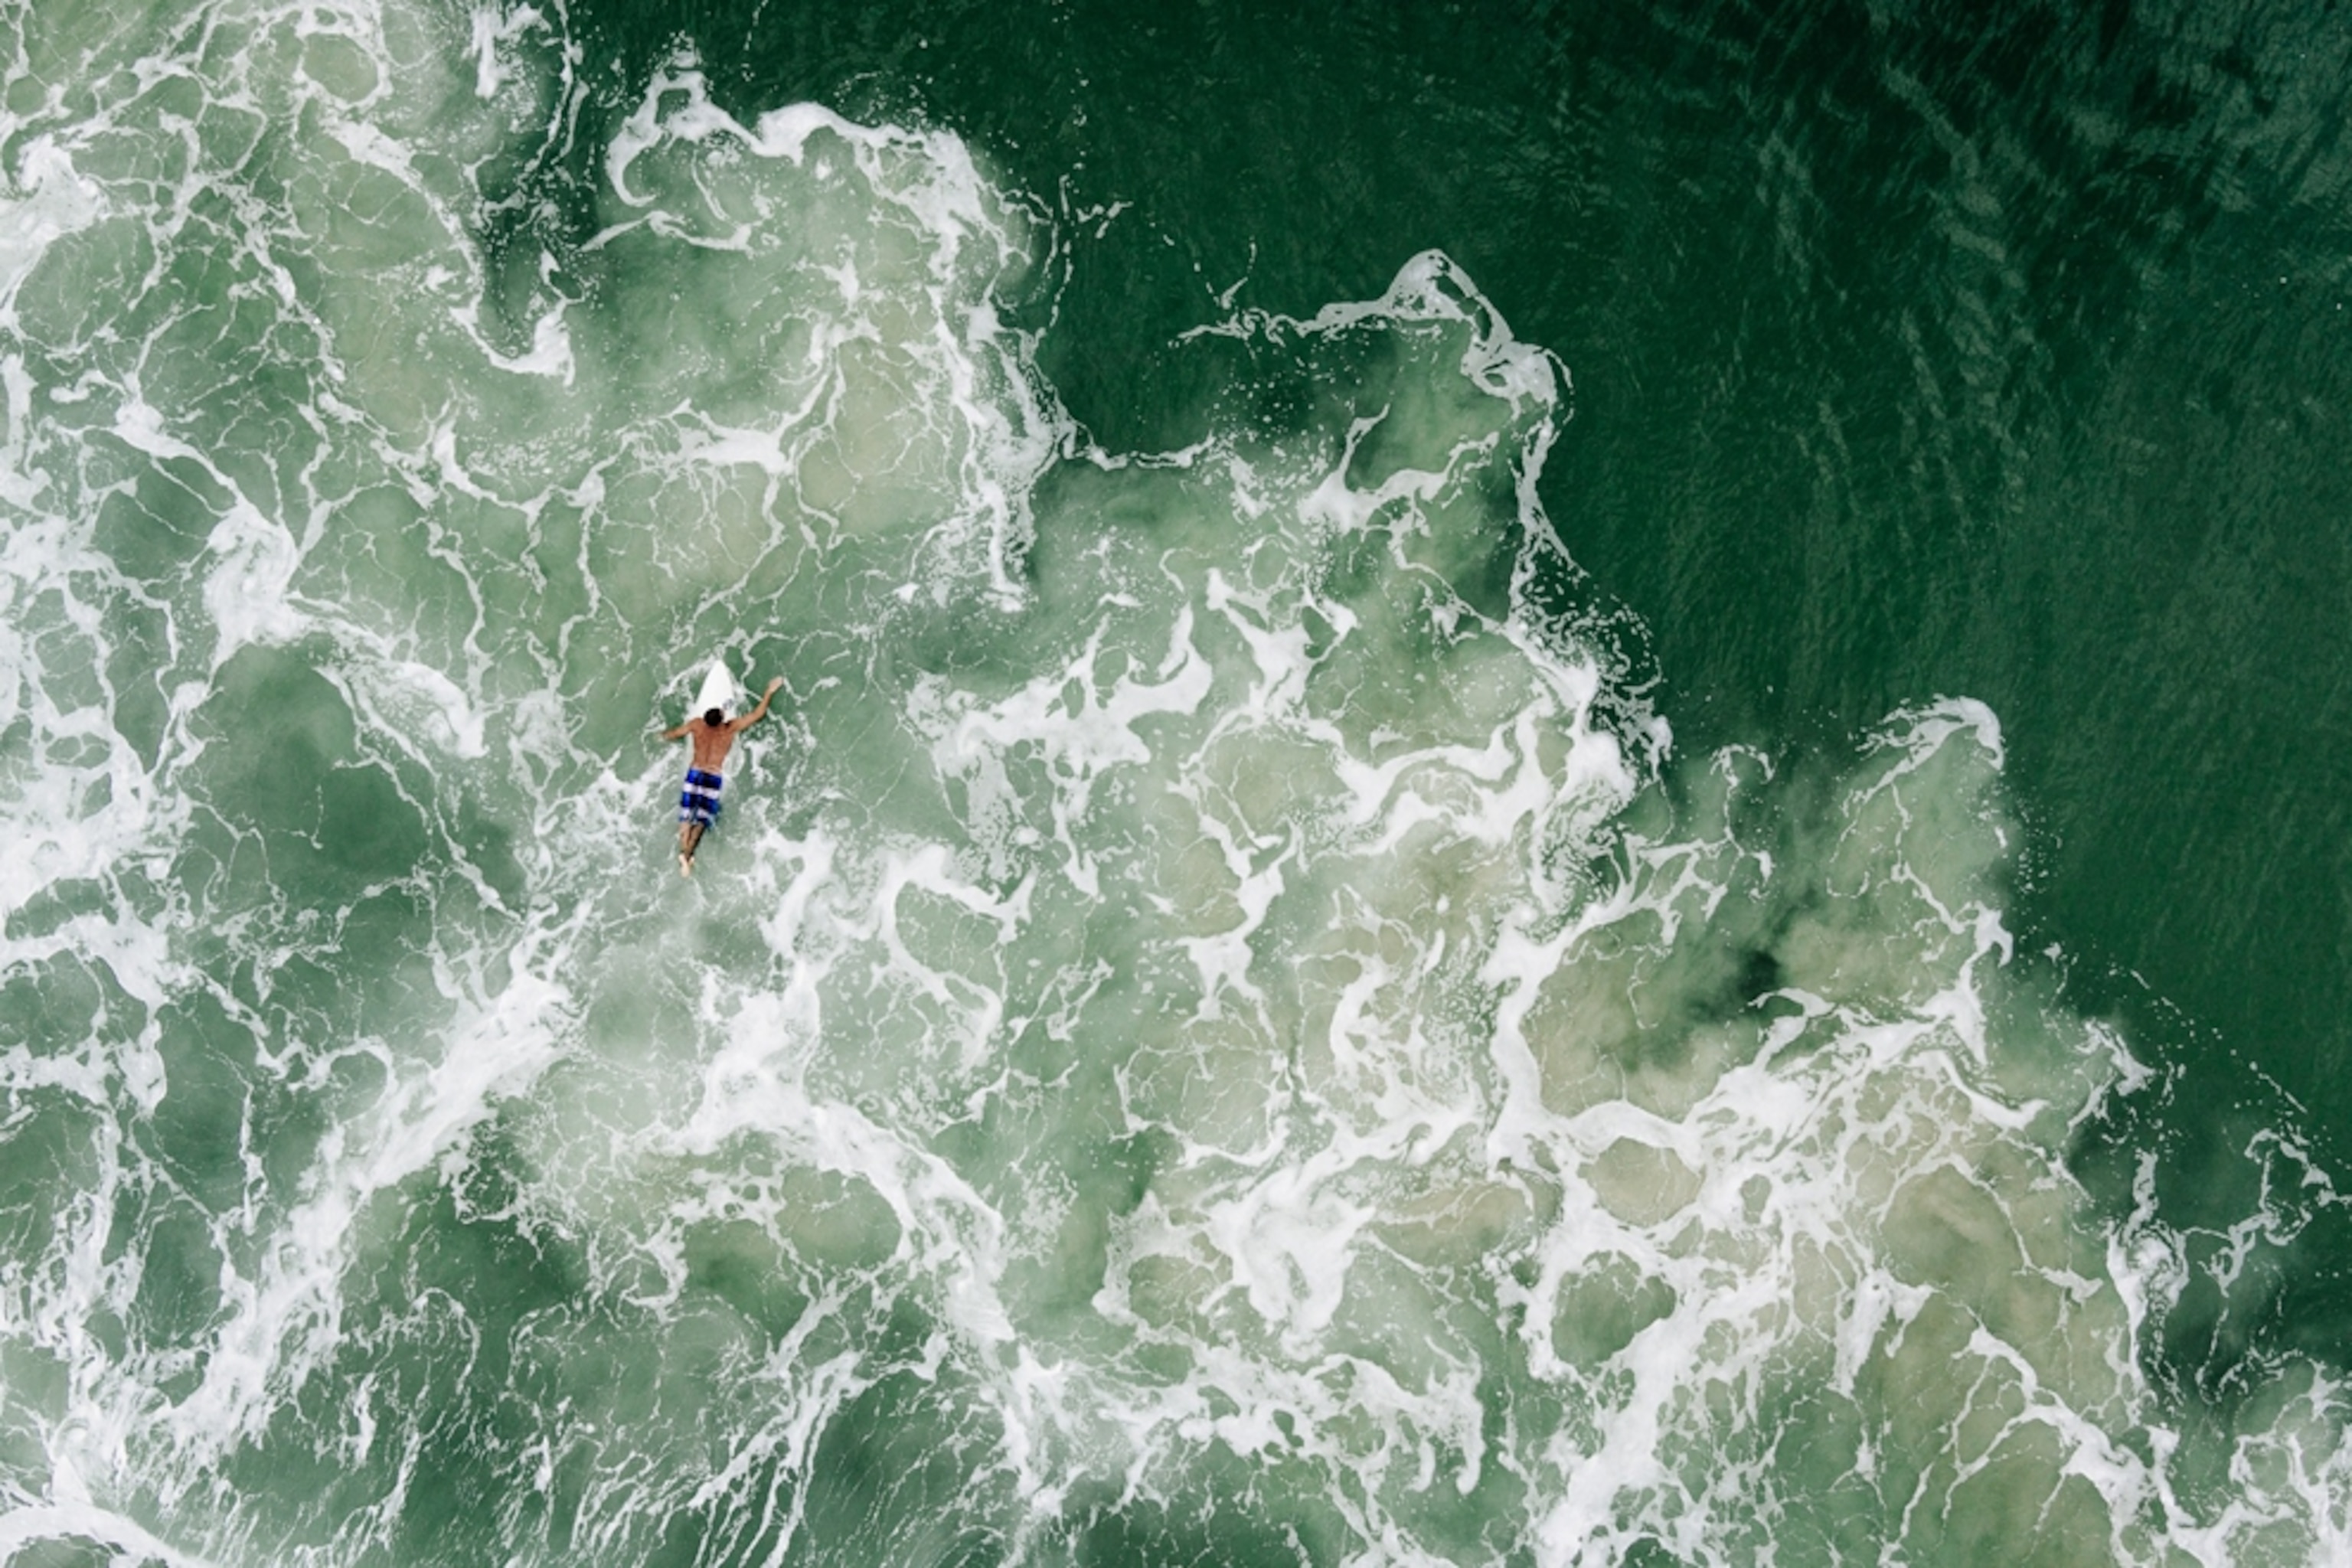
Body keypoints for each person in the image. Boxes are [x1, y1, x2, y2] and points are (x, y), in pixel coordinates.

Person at [661, 675, 785, 875]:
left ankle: (685, 853)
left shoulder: (697, 725)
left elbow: (674, 733)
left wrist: (660, 736)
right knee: (700, 822)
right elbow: (757, 714)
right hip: (712, 777)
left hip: (694, 774)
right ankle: (687, 855)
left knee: (686, 817)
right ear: (721, 721)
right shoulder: (729, 729)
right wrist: (769, 691)